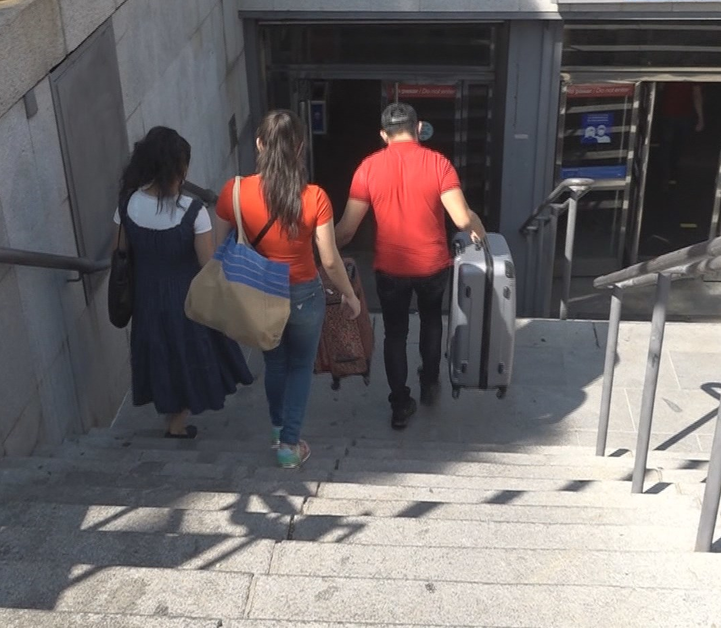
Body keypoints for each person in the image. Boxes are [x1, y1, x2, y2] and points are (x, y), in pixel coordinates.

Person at [216, 109, 360, 468]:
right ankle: (289, 444)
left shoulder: (233, 191)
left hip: (259, 292)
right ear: (299, 148)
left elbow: (219, 248)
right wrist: (350, 295)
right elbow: (329, 260)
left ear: (260, 144)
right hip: (302, 293)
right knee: (300, 367)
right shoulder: (314, 197)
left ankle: (279, 430)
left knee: (275, 363)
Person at [334, 102, 485, 430]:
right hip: (432, 265)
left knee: (395, 334)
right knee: (432, 322)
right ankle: (430, 382)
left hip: (390, 268)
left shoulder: (368, 168)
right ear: (418, 129)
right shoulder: (438, 164)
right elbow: (461, 219)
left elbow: (346, 230)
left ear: (382, 135)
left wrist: (322, 249)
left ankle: (400, 403)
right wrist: (478, 225)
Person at [114, 126, 253, 439]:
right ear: (179, 168)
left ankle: (171, 419)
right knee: (186, 355)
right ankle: (176, 425)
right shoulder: (193, 211)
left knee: (161, 354)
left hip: (146, 296)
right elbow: (206, 264)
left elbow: (120, 251)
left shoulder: (127, 205)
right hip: (186, 297)